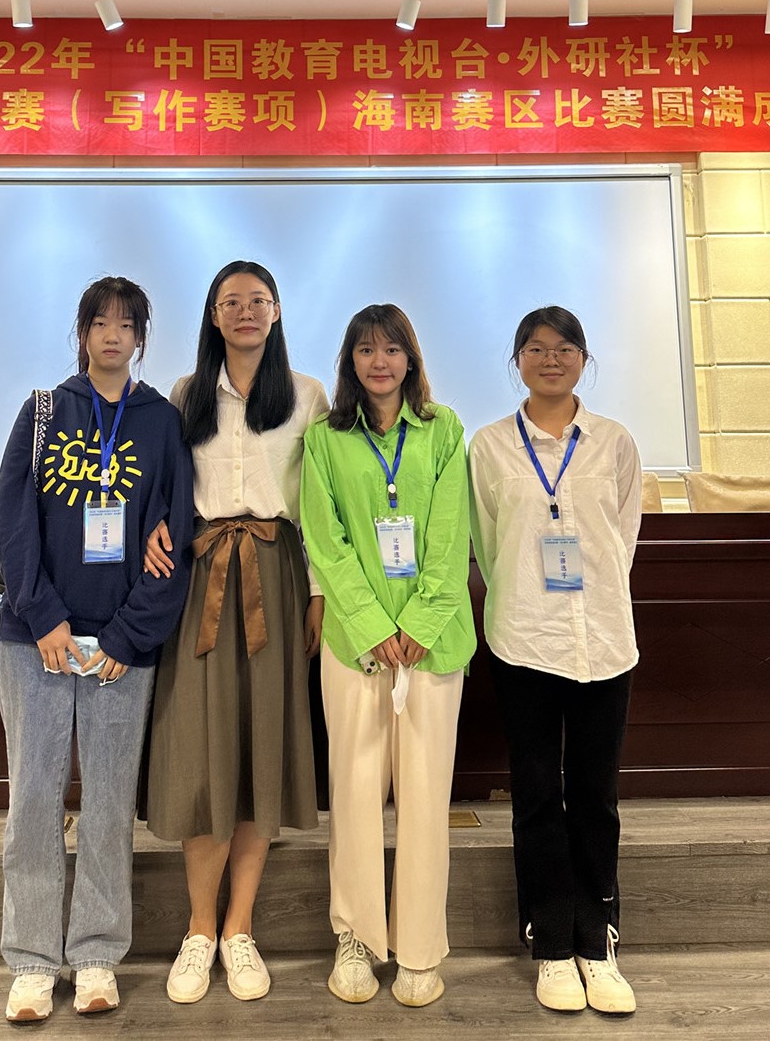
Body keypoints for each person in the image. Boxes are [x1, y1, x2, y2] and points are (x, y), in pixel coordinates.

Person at [0, 275, 193, 1024]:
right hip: (35, 641)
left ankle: (98, 953)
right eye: (99, 322)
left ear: (141, 337)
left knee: (108, 803)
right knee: (33, 800)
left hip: (118, 649)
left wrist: (129, 635)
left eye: (126, 324)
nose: (112, 335)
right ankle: (32, 961)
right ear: (81, 334)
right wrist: (42, 617)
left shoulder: (160, 422)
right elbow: (9, 521)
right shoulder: (45, 411)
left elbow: (177, 534)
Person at [144, 260, 329, 1003]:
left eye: (257, 300)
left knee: (262, 745)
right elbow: (163, 487)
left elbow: (319, 505)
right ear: (213, 316)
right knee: (202, 748)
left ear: (277, 311)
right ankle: (197, 930)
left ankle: (239, 927)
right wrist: (155, 530)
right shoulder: (185, 394)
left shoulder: (308, 396)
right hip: (203, 578)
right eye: (231, 302)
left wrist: (316, 593)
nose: (245, 311)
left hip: (277, 576)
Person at [300, 304, 476, 1010]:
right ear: (350, 361)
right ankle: (356, 938)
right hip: (354, 646)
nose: (380, 362)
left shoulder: (443, 430)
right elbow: (326, 540)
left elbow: (450, 534)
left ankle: (419, 947)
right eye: (366, 350)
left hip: (432, 646)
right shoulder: (324, 439)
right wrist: (374, 625)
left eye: (392, 349)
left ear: (410, 359)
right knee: (353, 795)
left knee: (427, 799)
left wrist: (420, 623)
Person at [467, 306, 641, 1017]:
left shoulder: (614, 442)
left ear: (583, 360)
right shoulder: (488, 446)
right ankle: (550, 942)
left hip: (603, 639)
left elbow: (622, 536)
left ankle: (597, 940)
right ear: (517, 361)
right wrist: (524, 599)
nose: (550, 359)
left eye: (564, 348)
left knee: (596, 796)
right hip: (524, 639)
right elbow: (486, 543)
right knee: (536, 795)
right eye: (536, 349)